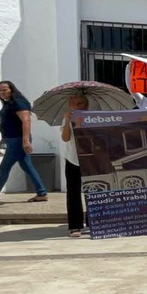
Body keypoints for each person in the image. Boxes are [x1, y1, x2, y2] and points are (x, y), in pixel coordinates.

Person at [0, 81, 49, 206]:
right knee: (27, 166)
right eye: (0, 91)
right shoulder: (9, 104)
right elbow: (9, 122)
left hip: (18, 140)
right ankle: (42, 193)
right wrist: (3, 138)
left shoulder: (18, 102)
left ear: (12, 89)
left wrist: (26, 141)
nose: (2, 92)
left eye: (5, 89)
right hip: (12, 139)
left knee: (4, 168)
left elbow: (26, 121)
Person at [60, 93, 88, 236]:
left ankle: (93, 221)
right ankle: (75, 225)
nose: (76, 106)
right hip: (72, 158)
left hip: (90, 159)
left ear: (86, 105)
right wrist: (67, 121)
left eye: (80, 103)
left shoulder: (92, 118)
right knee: (73, 192)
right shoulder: (68, 119)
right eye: (74, 104)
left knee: (92, 191)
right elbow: (65, 138)